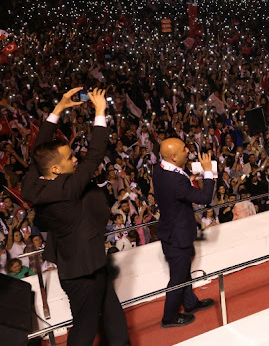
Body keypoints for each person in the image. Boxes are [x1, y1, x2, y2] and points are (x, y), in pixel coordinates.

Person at [21, 87, 129, 346]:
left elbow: (40, 154)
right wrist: (100, 112)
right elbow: (94, 156)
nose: (75, 160)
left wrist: (58, 109)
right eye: (69, 158)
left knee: (113, 315)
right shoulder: (68, 188)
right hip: (83, 274)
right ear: (57, 169)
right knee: (84, 329)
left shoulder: (33, 185)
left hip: (86, 263)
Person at [153, 138, 216, 328]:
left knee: (183, 272)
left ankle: (190, 303)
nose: (187, 150)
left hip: (173, 231)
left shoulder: (160, 168)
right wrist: (208, 172)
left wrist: (188, 183)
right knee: (178, 278)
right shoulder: (176, 182)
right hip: (176, 236)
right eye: (183, 150)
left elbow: (177, 188)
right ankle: (169, 317)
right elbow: (205, 198)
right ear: (173, 157)